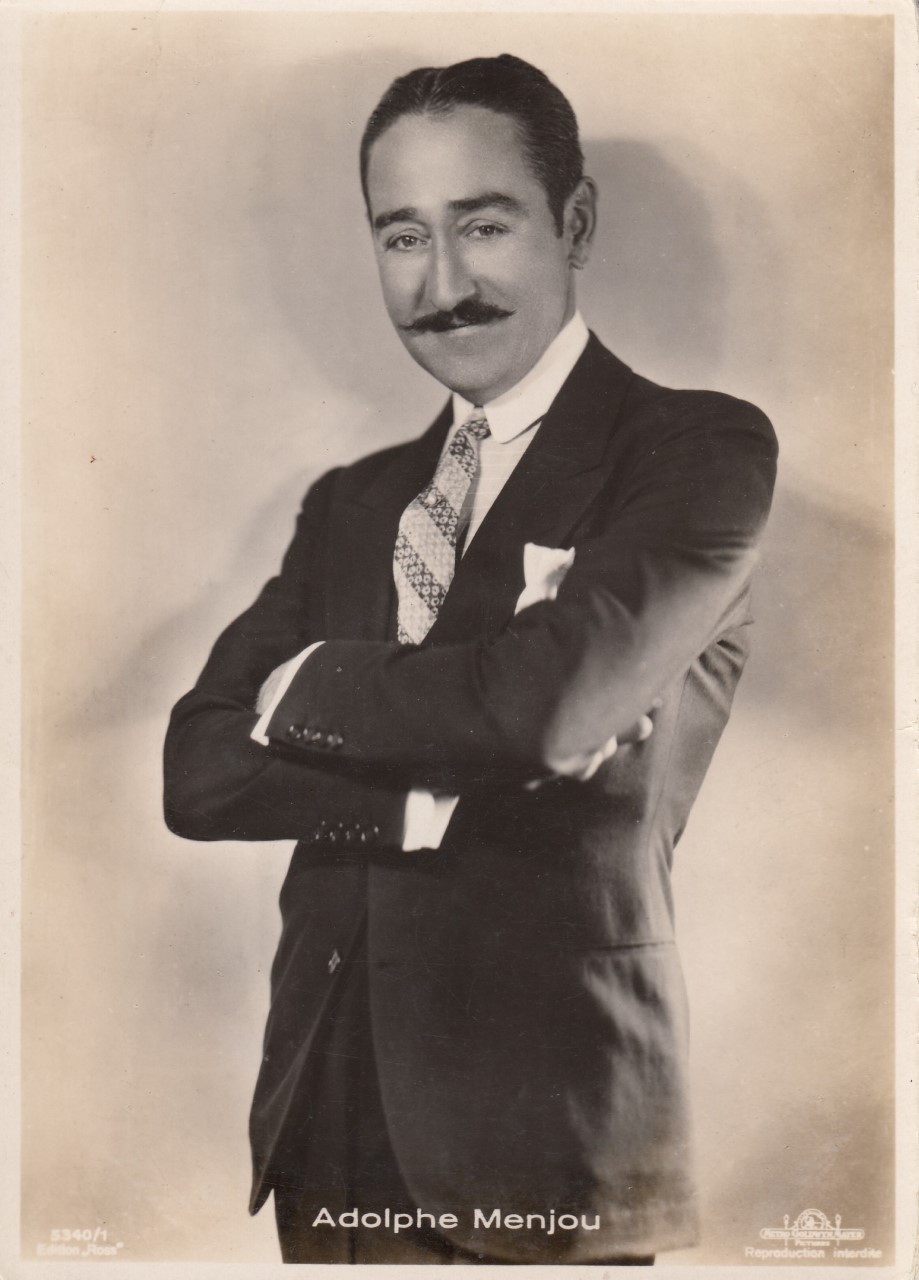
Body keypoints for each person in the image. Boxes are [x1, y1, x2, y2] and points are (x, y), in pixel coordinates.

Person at [163, 53, 777, 1266]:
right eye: (402, 237)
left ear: (574, 222)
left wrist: (305, 683)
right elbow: (198, 770)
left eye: (483, 224)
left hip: (542, 1116)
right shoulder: (353, 501)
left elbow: (547, 709)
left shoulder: (694, 448)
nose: (441, 284)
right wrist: (428, 788)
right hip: (329, 1112)